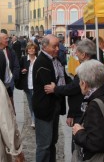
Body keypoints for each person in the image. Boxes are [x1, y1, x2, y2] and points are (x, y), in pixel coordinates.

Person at [44, 38, 96, 152]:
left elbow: (74, 88)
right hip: (79, 110)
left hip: (83, 111)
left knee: (78, 144)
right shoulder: (89, 65)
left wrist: (56, 89)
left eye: (78, 52)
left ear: (84, 54)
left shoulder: (87, 68)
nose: (75, 53)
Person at [32, 34, 70, 162]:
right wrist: (58, 88)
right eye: (54, 46)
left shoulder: (56, 60)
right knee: (44, 145)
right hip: (44, 109)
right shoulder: (42, 62)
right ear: (45, 46)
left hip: (54, 107)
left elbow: (61, 80)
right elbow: (49, 86)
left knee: (52, 142)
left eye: (58, 45)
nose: (57, 48)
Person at [16, 42, 38, 128]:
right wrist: (22, 71)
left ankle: (36, 119)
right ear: (27, 50)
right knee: (31, 103)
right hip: (27, 85)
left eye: (33, 48)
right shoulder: (24, 59)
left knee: (36, 103)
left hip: (36, 86)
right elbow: (19, 69)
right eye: (29, 49)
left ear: (35, 50)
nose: (31, 50)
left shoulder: (38, 59)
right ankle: (33, 119)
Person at [0, 33, 20, 110]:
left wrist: (13, 77)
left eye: (7, 38)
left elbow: (16, 65)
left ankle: (12, 118)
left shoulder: (10, 50)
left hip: (10, 81)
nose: (7, 40)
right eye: (5, 38)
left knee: (10, 103)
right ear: (0, 40)